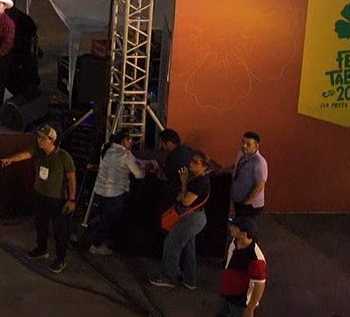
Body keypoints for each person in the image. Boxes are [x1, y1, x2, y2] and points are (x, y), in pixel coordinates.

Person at [0, 124, 77, 274]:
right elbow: (24, 155)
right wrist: (11, 159)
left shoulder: (64, 157)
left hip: (57, 199)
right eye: (38, 137)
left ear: (52, 140)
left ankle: (61, 258)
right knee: (40, 224)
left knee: (60, 230)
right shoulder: (37, 150)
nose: (39, 140)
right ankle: (41, 248)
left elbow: (71, 178)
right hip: (40, 194)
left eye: (42, 138)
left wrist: (71, 199)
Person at [151, 151, 213, 290]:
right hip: (196, 218)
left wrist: (184, 183)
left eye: (196, 162)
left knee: (172, 243)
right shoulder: (199, 179)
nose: (191, 163)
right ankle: (189, 280)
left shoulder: (199, 181)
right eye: (192, 160)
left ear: (204, 167)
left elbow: (185, 201)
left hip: (191, 219)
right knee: (189, 247)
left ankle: (168, 277)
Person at [82, 130, 149, 255]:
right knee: (108, 220)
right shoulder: (125, 155)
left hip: (100, 190)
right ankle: (96, 245)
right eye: (130, 140)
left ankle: (98, 239)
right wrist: (145, 168)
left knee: (102, 217)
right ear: (124, 140)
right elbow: (139, 174)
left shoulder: (105, 148)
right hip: (115, 193)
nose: (131, 143)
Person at [217, 216, 268, 317]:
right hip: (227, 295)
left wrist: (250, 309)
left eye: (235, 227)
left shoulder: (256, 260)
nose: (231, 228)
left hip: (240, 303)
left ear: (243, 234)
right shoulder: (235, 242)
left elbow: (259, 286)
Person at [230, 131, 268, 220]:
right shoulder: (241, 153)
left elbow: (260, 185)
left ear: (256, 146)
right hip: (239, 200)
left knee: (245, 228)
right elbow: (237, 166)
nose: (244, 146)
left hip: (250, 205)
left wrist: (247, 202)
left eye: (248, 144)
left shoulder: (259, 162)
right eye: (243, 142)